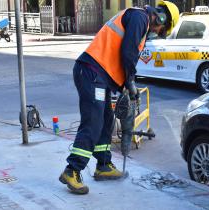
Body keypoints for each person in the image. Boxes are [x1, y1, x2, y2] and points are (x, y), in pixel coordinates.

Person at [59, 1, 179, 195]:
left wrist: (124, 85)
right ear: (161, 17)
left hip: (100, 76)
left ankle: (103, 165)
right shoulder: (140, 18)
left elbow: (123, 53)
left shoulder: (141, 21)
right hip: (91, 73)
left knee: (106, 121)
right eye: (160, 29)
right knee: (94, 123)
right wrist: (130, 83)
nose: (157, 32)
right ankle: (72, 170)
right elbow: (128, 52)